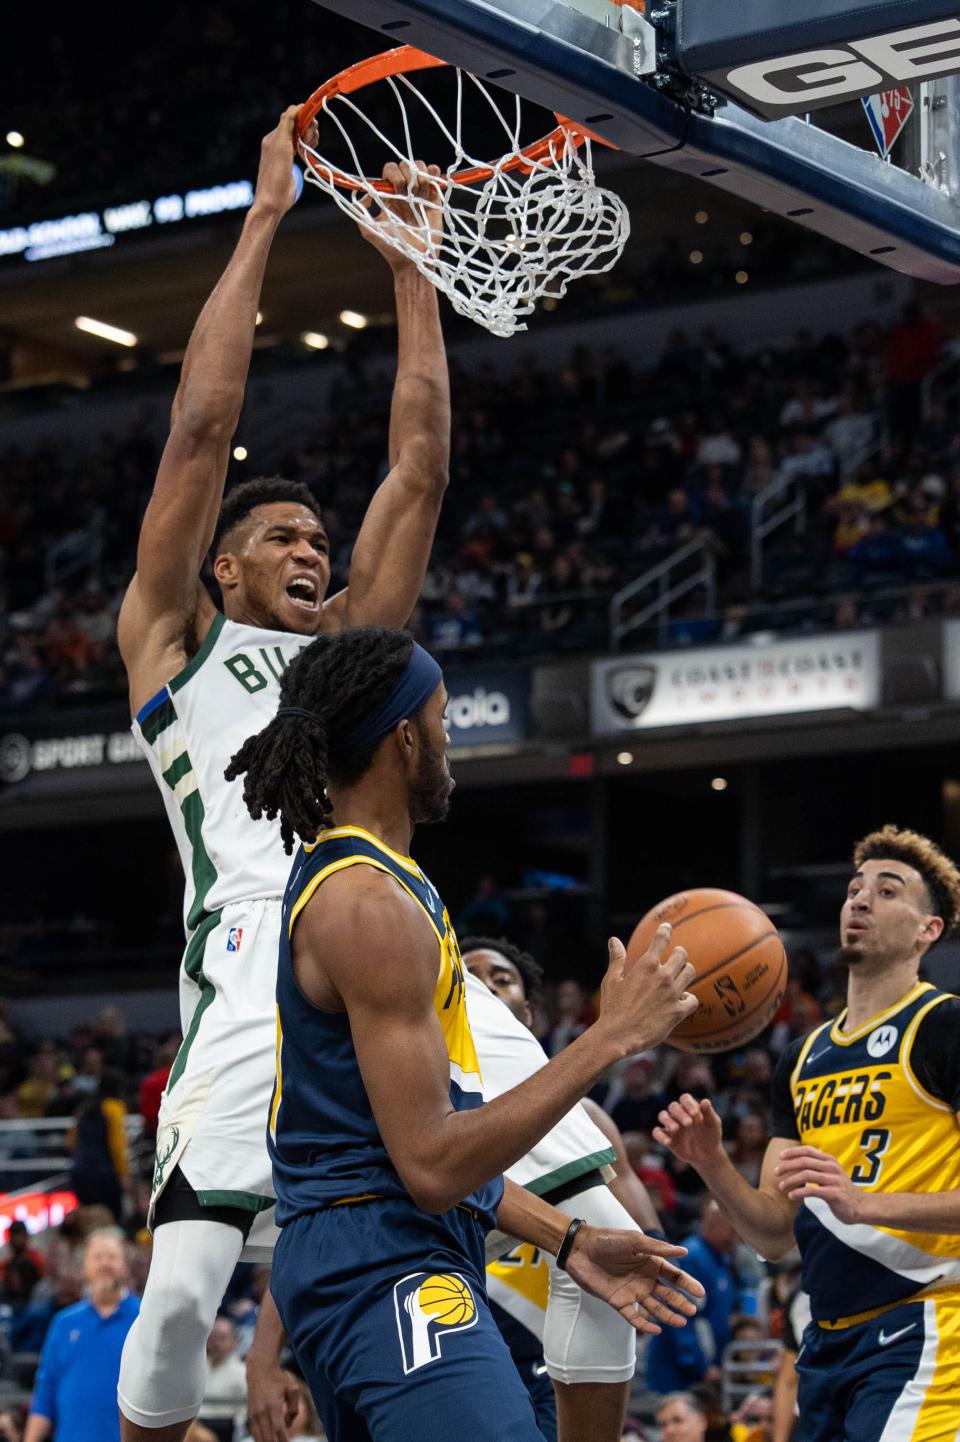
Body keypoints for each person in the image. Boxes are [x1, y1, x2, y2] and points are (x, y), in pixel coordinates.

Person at [115, 108, 452, 1442]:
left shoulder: (351, 661)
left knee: (489, 1257)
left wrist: (413, 267)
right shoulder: (175, 644)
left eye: (321, 535)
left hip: (374, 955)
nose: (313, 547)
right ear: (224, 570)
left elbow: (417, 469)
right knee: (179, 1298)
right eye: (283, 536)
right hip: (244, 975)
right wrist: (264, 216)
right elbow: (200, 435)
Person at [229, 624, 704, 1442]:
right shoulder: (368, 906)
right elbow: (432, 1164)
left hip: (371, 1245)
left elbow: (406, 1151)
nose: (451, 743)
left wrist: (570, 1238)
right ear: (405, 737)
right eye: (443, 720)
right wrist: (609, 1038)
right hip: (380, 1258)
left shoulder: (381, 887)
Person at [654, 825, 960, 1442]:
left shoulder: (946, 1026)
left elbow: (851, 1202)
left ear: (929, 930)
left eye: (887, 890)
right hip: (826, 1339)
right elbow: (771, 1233)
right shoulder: (803, 1057)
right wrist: (712, 1163)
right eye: (854, 889)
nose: (861, 900)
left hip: (929, 1326)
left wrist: (863, 1203)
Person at [462, 935, 665, 1442]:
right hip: (462, 1335)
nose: (484, 986)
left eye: (501, 979)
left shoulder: (588, 1119)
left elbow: (644, 1243)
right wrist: (265, 1358)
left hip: (551, 1356)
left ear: (527, 1012)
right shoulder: (420, 1106)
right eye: (467, 977)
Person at [25, 1229, 139, 1442]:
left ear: (124, 1266)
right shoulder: (64, 1323)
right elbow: (46, 1390)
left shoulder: (143, 1319)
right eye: (97, 1257)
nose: (105, 1263)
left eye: (112, 1257)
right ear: (84, 1267)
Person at [645, 1201, 737, 1396]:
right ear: (711, 1224)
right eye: (731, 1228)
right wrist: (699, 1366)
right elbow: (677, 1314)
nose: (735, 1236)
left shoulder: (722, 1258)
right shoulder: (692, 1258)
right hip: (679, 1374)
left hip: (708, 1367)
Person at [198, 1318, 247, 1442]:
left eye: (221, 1338)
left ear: (234, 1342)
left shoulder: (244, 1372)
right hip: (196, 1426)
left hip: (230, 1429)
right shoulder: (196, 1369)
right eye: (212, 1338)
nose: (215, 1343)